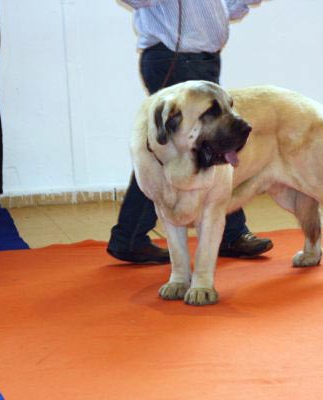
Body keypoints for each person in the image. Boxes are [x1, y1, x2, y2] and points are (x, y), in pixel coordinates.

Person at [108, 0, 272, 264]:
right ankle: (132, 237)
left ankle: (132, 237)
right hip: (175, 58)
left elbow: (224, 9)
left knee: (210, 149)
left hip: (201, 60)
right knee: (170, 154)